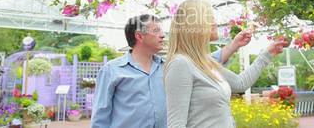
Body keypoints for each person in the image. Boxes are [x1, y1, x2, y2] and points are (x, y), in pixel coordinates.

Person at [91, 14, 252, 128]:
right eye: (155, 31)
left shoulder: (170, 66)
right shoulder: (112, 71)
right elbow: (101, 115)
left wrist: (234, 45)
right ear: (139, 36)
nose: (162, 35)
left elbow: (205, 61)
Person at [164, 0, 287, 128]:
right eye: (210, 18)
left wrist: (268, 52)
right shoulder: (181, 64)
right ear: (195, 24)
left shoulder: (206, 62)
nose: (215, 23)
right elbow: (176, 124)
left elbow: (241, 83)